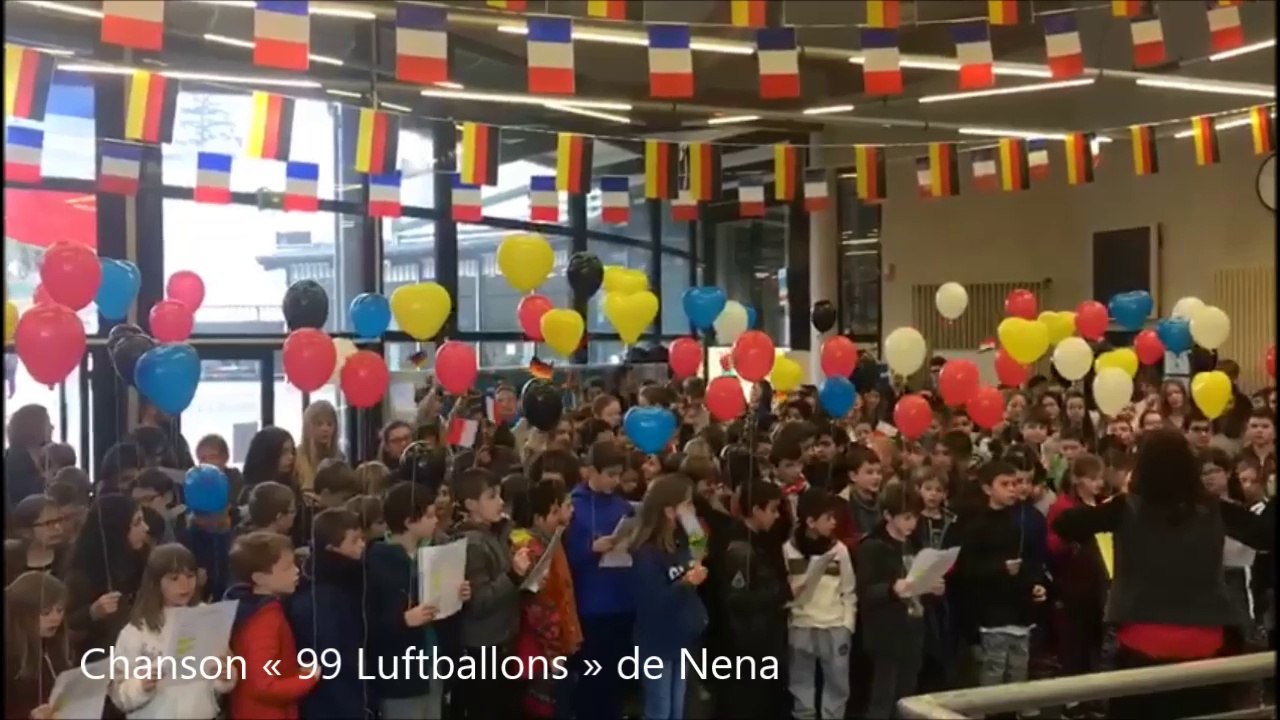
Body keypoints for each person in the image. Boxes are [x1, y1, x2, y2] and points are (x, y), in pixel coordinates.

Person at [1052, 428, 1273, 719]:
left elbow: (1065, 524)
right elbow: (1266, 536)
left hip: (1142, 637)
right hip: (1208, 637)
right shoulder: (1214, 509)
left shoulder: (1125, 508)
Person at [108, 544, 236, 719]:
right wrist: (141, 685)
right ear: (155, 582)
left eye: (190, 576)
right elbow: (118, 694)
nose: (185, 585)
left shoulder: (208, 617)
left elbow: (224, 669)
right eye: (174, 578)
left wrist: (225, 676)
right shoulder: (136, 631)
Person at [959, 461, 1047, 698]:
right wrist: (1000, 568)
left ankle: (1013, 710)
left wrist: (1036, 584)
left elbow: (1030, 560)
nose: (1012, 489)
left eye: (1015, 483)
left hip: (1020, 608)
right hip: (992, 610)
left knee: (1019, 668)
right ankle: (988, 711)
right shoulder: (976, 525)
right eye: (1005, 484)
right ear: (988, 489)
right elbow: (966, 568)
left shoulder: (1020, 521)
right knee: (994, 667)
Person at [365, 481, 450, 719]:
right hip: (400, 674)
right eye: (429, 515)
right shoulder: (376, 561)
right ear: (409, 521)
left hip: (433, 660)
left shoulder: (434, 553)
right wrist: (402, 620)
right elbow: (367, 624)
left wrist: (457, 594)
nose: (436, 520)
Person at [451, 468, 530, 719]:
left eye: (500, 496)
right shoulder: (472, 543)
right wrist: (513, 576)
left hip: (502, 639)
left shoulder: (494, 533)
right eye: (492, 497)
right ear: (471, 504)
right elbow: (479, 601)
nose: (500, 502)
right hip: (483, 646)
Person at [630, 474, 709, 720]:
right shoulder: (647, 552)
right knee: (659, 710)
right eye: (687, 504)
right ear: (668, 511)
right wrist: (684, 584)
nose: (692, 509)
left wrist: (691, 522)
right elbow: (652, 602)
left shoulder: (681, 541)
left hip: (682, 637)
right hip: (656, 643)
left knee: (677, 709)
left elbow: (700, 549)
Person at [566, 440, 636, 720]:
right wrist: (589, 549)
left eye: (619, 474)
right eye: (609, 474)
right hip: (591, 604)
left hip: (624, 598)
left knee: (617, 677)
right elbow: (561, 557)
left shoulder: (623, 506)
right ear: (590, 472)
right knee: (593, 677)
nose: (615, 480)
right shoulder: (573, 506)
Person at [857, 482, 936, 719]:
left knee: (907, 696)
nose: (912, 524)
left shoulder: (915, 543)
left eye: (915, 518)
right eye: (906, 518)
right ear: (888, 516)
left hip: (914, 627)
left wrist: (932, 586)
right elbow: (867, 592)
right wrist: (893, 589)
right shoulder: (873, 547)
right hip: (886, 633)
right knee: (884, 695)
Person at [506, 477, 581, 718]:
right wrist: (554, 650)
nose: (572, 512)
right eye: (566, 506)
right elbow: (536, 604)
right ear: (543, 516)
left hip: (559, 640)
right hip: (544, 648)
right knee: (545, 707)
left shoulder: (555, 540)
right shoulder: (528, 547)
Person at [224, 531, 319, 719]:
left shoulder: (252, 609)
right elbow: (262, 685)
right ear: (259, 578)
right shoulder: (263, 620)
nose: (296, 570)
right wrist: (308, 679)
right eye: (286, 567)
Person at [287, 508, 369, 720]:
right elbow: (329, 660)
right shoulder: (319, 596)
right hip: (332, 703)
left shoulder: (351, 578)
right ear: (332, 548)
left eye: (362, 538)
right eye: (354, 540)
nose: (362, 544)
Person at [717, 479, 788, 720]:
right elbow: (738, 598)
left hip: (764, 634)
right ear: (756, 510)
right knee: (750, 701)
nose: (777, 516)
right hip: (749, 640)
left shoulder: (762, 541)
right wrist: (782, 593)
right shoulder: (740, 548)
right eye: (773, 510)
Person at [784, 489, 856, 720]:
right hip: (801, 625)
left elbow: (849, 589)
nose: (834, 523)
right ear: (811, 522)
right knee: (800, 683)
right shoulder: (788, 549)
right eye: (828, 518)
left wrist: (847, 625)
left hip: (834, 625)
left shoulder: (838, 550)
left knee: (837, 685)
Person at [65, 495, 151, 659]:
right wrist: (92, 612)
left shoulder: (142, 556)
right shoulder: (80, 572)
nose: (146, 528)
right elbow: (65, 624)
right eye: (137, 523)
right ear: (117, 528)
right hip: (101, 658)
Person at [4, 571, 72, 720]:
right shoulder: (9, 660)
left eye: (60, 610)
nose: (56, 618)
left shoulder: (55, 645)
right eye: (46, 612)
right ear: (22, 615)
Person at [5, 495, 67, 586]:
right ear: (26, 531)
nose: (59, 528)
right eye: (49, 523)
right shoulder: (10, 560)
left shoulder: (71, 557)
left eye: (59, 520)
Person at [5, 404, 52, 507]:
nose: (52, 427)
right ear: (33, 427)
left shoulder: (42, 457)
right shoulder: (15, 459)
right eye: (47, 423)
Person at [295, 401, 344, 493]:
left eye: (329, 424)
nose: (325, 429)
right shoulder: (297, 456)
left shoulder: (340, 457)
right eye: (319, 424)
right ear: (308, 427)